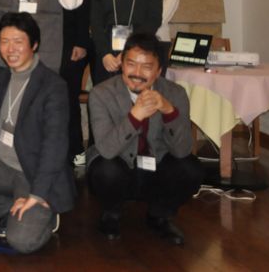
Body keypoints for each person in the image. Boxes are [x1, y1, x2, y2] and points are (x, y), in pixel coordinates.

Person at [0, 12, 75, 254]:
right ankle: (11, 207)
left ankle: (45, 212)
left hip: (33, 173)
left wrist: (37, 194)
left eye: (18, 41)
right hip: (1, 166)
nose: (11, 49)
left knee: (22, 241)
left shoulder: (52, 86)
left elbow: (55, 146)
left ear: (34, 44)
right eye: (4, 42)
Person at [87, 33, 203, 245]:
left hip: (156, 166)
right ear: (122, 64)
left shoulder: (176, 93)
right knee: (106, 170)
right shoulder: (101, 94)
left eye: (147, 67)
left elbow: (183, 150)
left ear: (159, 71)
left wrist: (169, 111)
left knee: (191, 169)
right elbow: (106, 149)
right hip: (119, 164)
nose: (137, 73)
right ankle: (110, 214)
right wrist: (135, 116)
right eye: (131, 64)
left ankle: (159, 216)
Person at [36, 0, 89, 165]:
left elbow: (85, 1)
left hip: (69, 40)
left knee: (67, 95)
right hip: (38, 39)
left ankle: (74, 148)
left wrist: (81, 41)